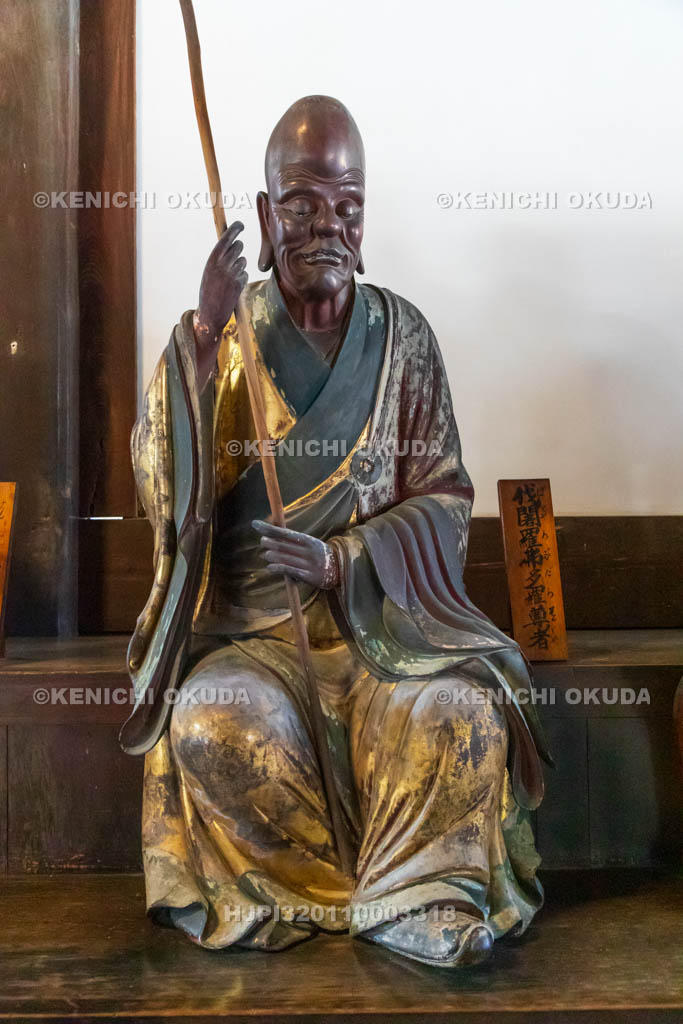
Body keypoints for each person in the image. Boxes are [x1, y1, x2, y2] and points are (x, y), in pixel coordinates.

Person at [122, 95, 550, 968]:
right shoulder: (223, 339)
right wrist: (203, 342)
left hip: (386, 635)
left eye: (347, 205)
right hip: (259, 641)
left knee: (462, 715)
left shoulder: (405, 339)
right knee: (211, 722)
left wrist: (343, 558)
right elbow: (162, 495)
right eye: (305, 203)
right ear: (264, 213)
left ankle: (416, 894)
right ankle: (301, 889)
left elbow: (443, 495)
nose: (328, 224)